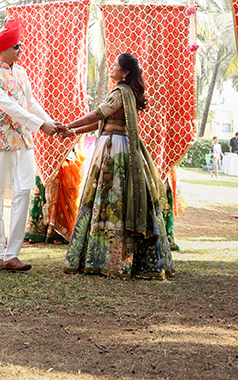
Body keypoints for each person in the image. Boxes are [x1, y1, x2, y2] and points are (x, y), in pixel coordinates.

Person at [62, 52, 174, 279]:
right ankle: (118, 259)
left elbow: (97, 114)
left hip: (114, 149)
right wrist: (72, 131)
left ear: (126, 72)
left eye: (115, 65)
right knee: (116, 199)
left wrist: (67, 125)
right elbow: (100, 121)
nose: (111, 67)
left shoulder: (120, 92)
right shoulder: (127, 93)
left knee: (110, 199)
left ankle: (110, 259)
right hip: (116, 143)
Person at [0, 18, 61, 272]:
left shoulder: (21, 73)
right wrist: (40, 125)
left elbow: (29, 103)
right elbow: (7, 105)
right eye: (17, 47)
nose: (21, 51)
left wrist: (49, 122)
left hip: (23, 140)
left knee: (24, 192)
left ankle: (13, 254)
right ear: (3, 49)